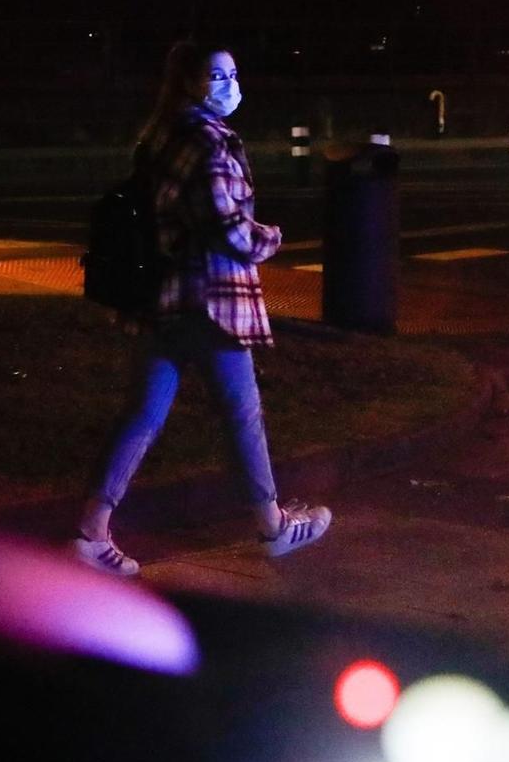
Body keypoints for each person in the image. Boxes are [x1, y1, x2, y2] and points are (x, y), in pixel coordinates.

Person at [74, 41, 332, 577]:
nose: (229, 84)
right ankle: (273, 526)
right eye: (217, 75)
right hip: (212, 300)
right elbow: (226, 226)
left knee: (143, 414)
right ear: (191, 81)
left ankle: (90, 533)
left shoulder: (161, 136)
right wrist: (269, 238)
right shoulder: (209, 141)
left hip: (165, 297)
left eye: (233, 73)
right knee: (243, 415)